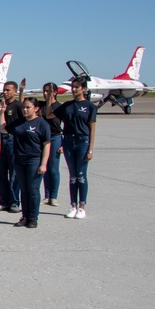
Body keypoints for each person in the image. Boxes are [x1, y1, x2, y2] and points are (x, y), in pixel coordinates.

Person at [46, 76, 97, 219]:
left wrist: (90, 149)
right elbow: (49, 114)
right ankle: (73, 205)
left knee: (81, 176)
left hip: (82, 141)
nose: (74, 90)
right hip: (68, 141)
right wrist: (50, 96)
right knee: (73, 176)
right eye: (73, 87)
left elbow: (92, 128)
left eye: (77, 87)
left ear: (84, 89)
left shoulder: (90, 106)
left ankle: (82, 206)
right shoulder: (68, 105)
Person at [5, 98, 51, 228]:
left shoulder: (42, 124)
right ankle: (24, 216)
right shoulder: (19, 123)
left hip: (34, 159)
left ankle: (33, 217)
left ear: (36, 108)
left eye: (28, 107)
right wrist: (2, 112)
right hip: (19, 159)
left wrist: (43, 164)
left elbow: (47, 144)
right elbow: (4, 129)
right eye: (24, 107)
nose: (25, 110)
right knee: (23, 190)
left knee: (33, 189)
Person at [0, 80, 25, 213]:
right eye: (4, 90)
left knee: (13, 174)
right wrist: (1, 111)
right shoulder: (0, 104)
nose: (5, 92)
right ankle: (3, 201)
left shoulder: (18, 106)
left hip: (13, 140)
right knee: (0, 173)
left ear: (15, 91)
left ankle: (14, 202)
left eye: (8, 90)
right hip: (1, 140)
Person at [41, 82, 63, 206]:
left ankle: (53, 196)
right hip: (43, 140)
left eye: (49, 91)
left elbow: (67, 125)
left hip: (55, 138)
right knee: (45, 168)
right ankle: (47, 195)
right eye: (44, 91)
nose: (46, 93)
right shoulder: (41, 106)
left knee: (53, 169)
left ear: (55, 92)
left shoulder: (59, 107)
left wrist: (63, 144)